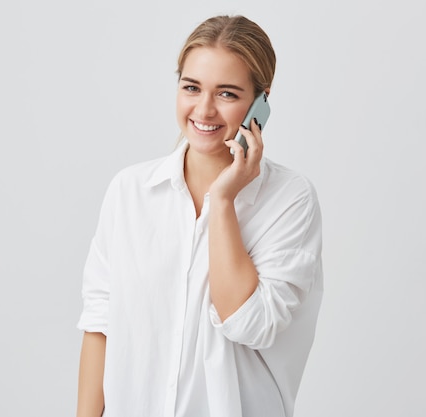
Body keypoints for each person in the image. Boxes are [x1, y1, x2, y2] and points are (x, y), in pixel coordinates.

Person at [76, 15, 323, 417]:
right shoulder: (130, 191)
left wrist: (223, 200)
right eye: (191, 87)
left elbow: (249, 323)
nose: (204, 109)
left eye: (227, 93)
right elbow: (100, 321)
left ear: (262, 101)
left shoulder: (290, 200)